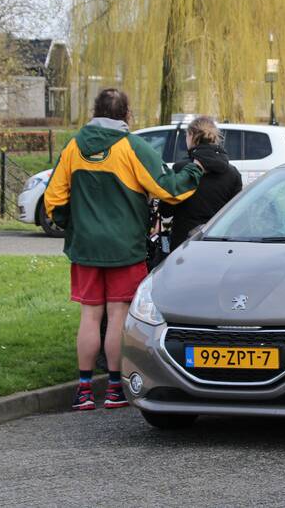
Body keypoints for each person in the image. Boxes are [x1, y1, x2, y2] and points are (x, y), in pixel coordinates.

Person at [44, 89, 203, 411]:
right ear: (126, 114)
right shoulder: (132, 147)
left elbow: (54, 199)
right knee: (118, 316)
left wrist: (70, 222)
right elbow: (169, 190)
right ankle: (115, 388)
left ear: (94, 110)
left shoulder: (74, 146)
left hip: (85, 247)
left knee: (90, 316)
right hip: (125, 247)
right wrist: (194, 171)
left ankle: (85, 389)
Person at [160, 116, 242, 250]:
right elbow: (237, 214)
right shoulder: (232, 173)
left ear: (191, 136)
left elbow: (166, 210)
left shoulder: (181, 169)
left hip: (184, 244)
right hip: (219, 242)